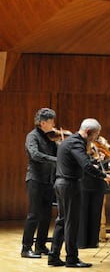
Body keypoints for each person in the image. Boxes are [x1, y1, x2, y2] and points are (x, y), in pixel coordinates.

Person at [48, 118, 110, 268]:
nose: (96, 138)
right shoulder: (76, 143)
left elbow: (82, 161)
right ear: (89, 132)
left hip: (62, 183)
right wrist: (104, 176)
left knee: (62, 221)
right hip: (69, 185)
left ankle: (53, 256)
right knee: (71, 222)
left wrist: (94, 162)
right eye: (96, 135)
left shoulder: (71, 141)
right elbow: (85, 165)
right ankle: (71, 258)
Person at [21, 108, 58, 258]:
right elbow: (35, 155)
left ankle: (40, 246)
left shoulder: (49, 138)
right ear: (43, 122)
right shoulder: (32, 136)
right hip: (35, 180)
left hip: (48, 180)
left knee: (46, 215)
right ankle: (26, 248)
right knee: (34, 214)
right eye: (52, 121)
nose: (54, 124)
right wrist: (56, 160)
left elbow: (57, 152)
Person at [77, 139, 110, 249]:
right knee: (83, 214)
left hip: (98, 185)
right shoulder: (79, 152)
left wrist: (99, 160)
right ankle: (81, 242)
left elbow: (99, 167)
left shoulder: (95, 153)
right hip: (84, 184)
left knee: (96, 213)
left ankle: (93, 241)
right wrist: (94, 162)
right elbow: (83, 165)